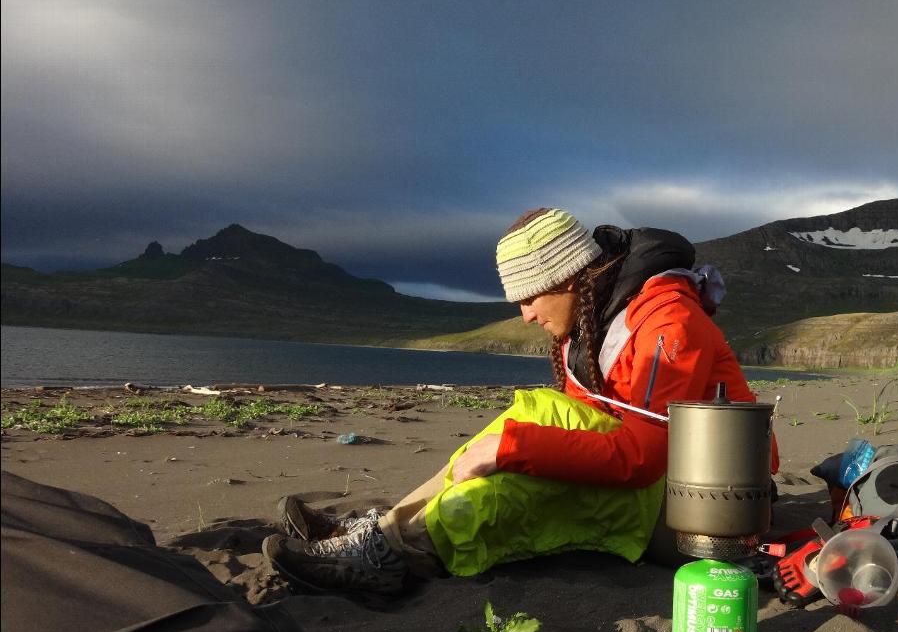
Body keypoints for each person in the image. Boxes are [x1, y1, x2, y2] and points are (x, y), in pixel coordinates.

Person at [261, 207, 779, 594]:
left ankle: (391, 553)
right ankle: (389, 529)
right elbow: (587, 423)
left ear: (569, 278)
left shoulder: (668, 322)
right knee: (535, 416)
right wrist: (516, 447)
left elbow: (640, 461)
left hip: (703, 517)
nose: (526, 316)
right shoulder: (595, 318)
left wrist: (511, 450)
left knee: (520, 473)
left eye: (529, 297)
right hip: (664, 486)